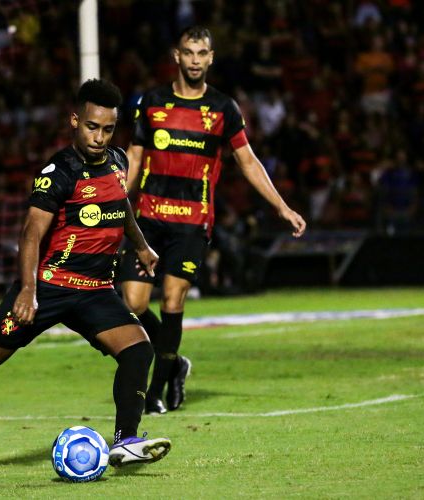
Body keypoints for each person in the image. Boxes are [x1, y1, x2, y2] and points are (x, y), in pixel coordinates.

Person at [0, 79, 171, 467]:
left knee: (138, 350)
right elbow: (31, 233)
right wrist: (27, 290)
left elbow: (122, 206)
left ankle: (125, 440)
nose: (99, 137)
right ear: (75, 120)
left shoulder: (119, 161)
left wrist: (140, 245)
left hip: (95, 292)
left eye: (107, 129)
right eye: (92, 127)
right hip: (49, 287)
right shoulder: (58, 173)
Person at [119, 26, 306, 415]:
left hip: (191, 221)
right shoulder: (151, 103)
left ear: (211, 58)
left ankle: (155, 391)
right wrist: (115, 203)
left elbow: (248, 161)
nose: (195, 61)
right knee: (133, 303)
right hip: (149, 218)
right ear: (177, 55)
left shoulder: (223, 108)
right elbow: (134, 159)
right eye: (188, 53)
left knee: (172, 299)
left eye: (202, 53)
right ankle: (175, 364)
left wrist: (281, 207)